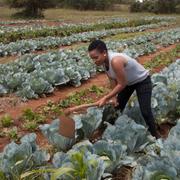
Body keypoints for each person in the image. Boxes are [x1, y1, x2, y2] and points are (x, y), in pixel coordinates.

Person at [88, 39, 159, 138]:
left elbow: (122, 84)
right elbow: (112, 80)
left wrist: (105, 98)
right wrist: (114, 97)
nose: (94, 61)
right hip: (128, 83)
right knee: (116, 108)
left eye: (96, 58)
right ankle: (105, 132)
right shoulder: (104, 63)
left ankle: (155, 135)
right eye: (92, 59)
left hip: (142, 81)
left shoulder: (116, 61)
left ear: (104, 52)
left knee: (145, 111)